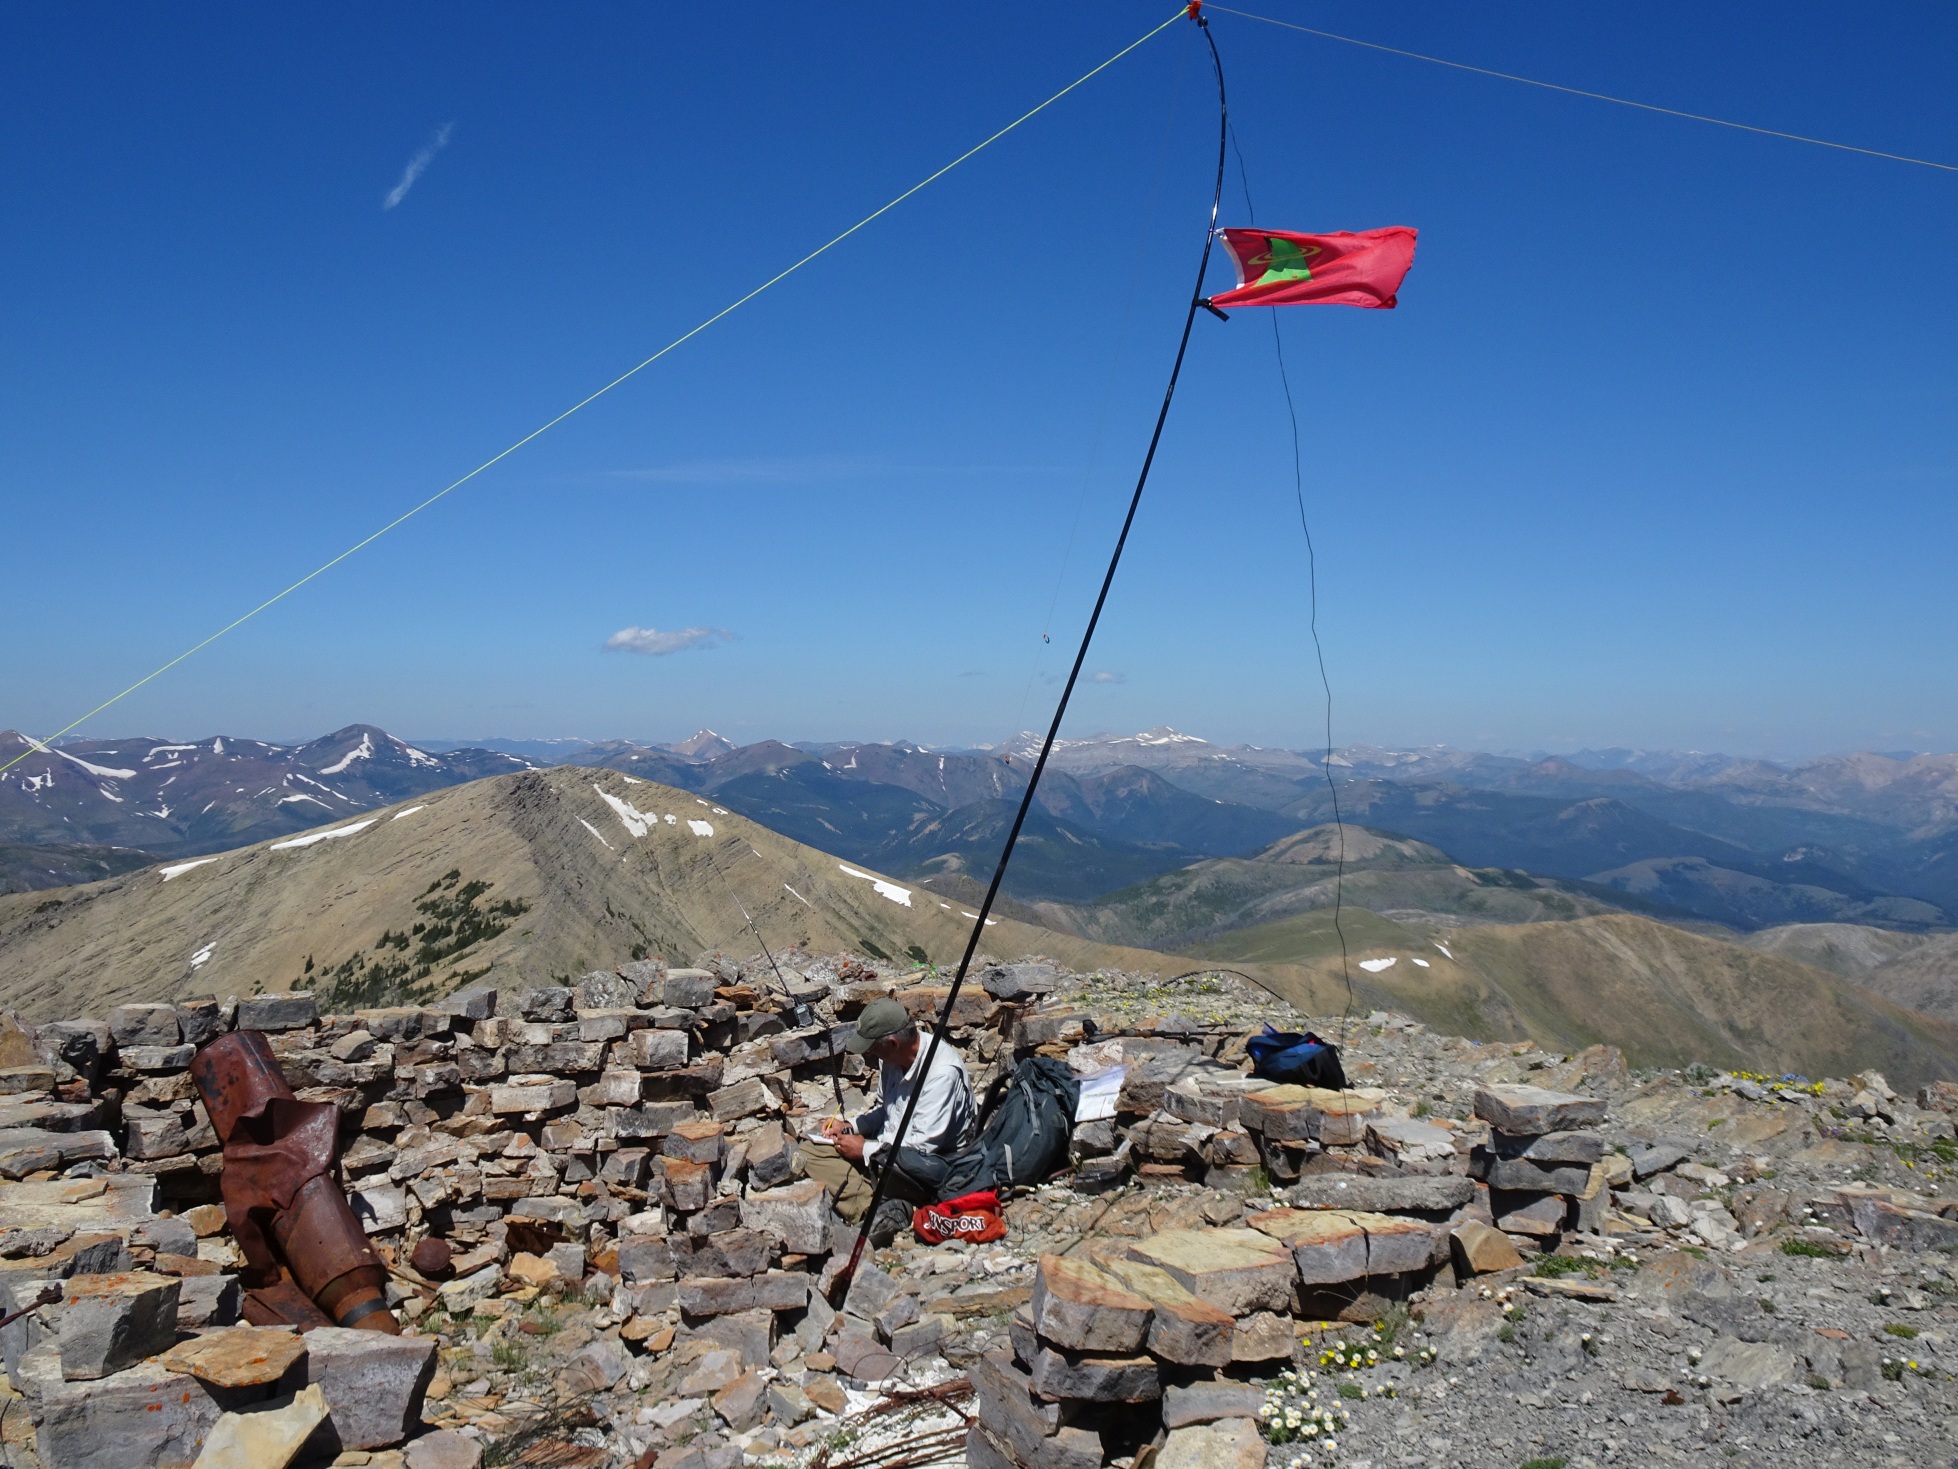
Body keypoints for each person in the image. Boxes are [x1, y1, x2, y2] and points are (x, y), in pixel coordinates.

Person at [793, 997, 974, 1238]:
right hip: (886, 1151)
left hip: (925, 1167)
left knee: (861, 1167)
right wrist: (849, 1127)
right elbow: (885, 1110)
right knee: (810, 1151)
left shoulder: (940, 1075)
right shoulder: (891, 1059)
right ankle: (879, 1203)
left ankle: (879, 1207)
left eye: (871, 1048)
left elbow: (921, 1150)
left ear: (892, 1043)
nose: (869, 1054)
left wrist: (864, 1150)